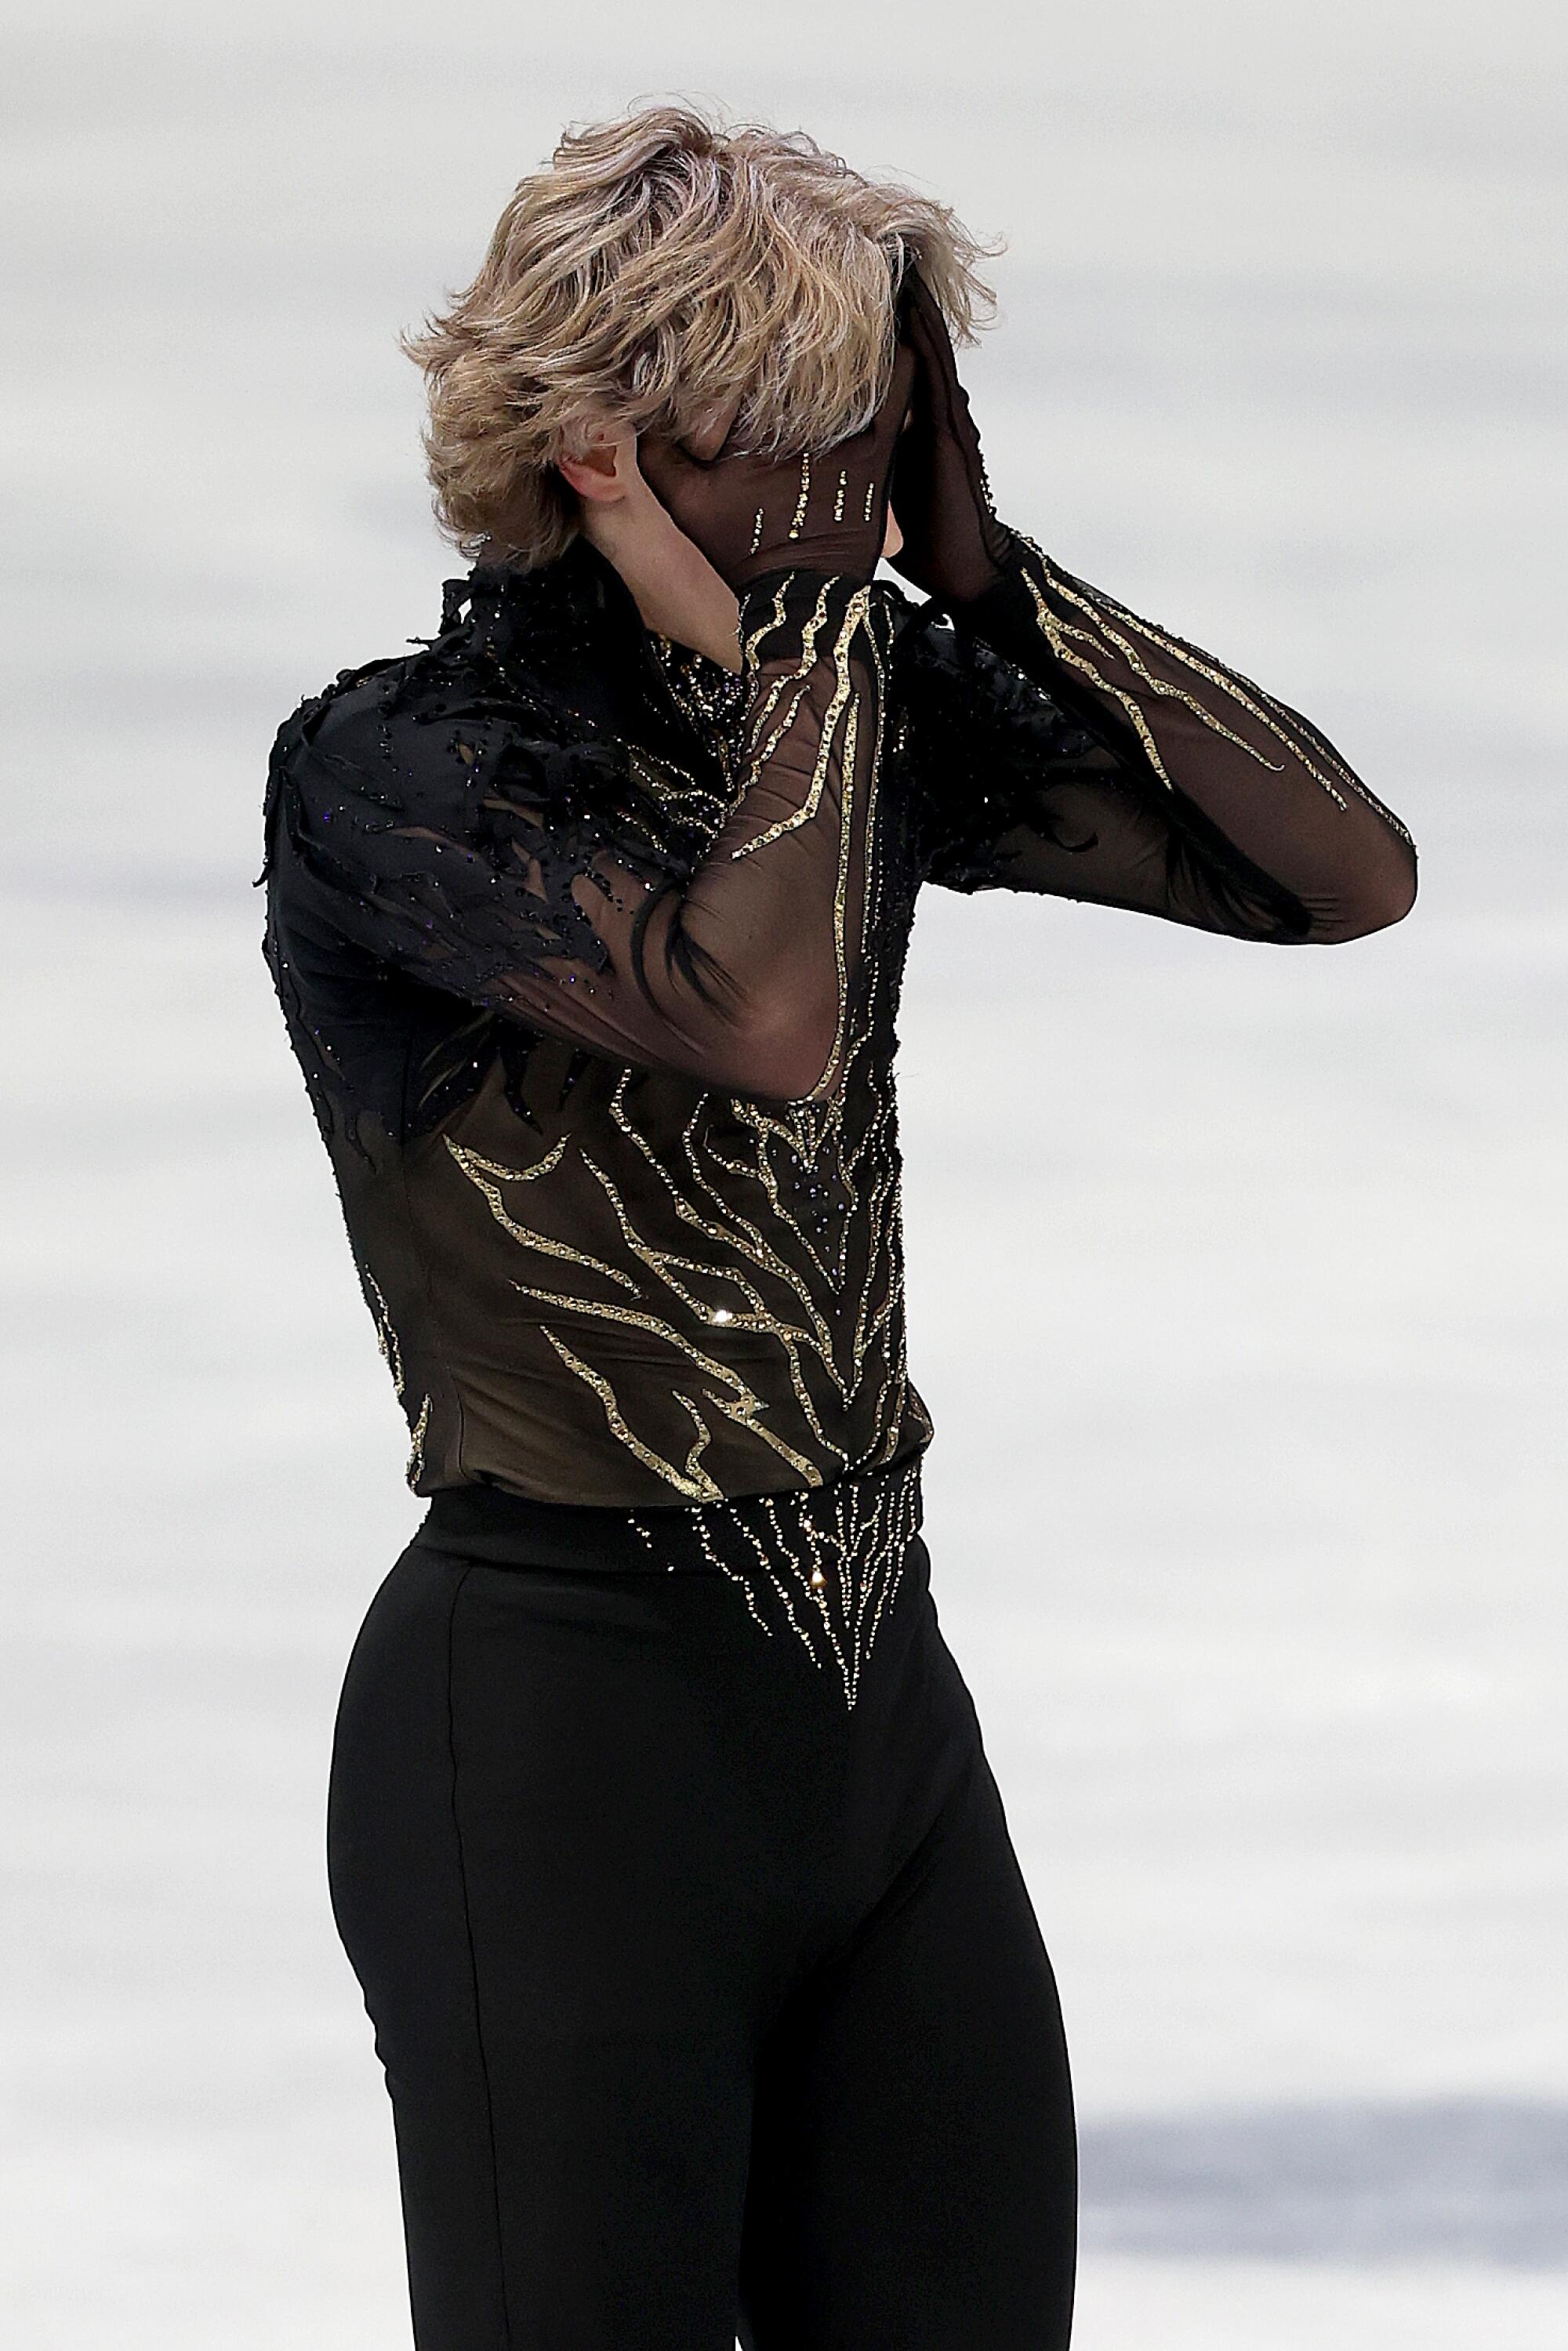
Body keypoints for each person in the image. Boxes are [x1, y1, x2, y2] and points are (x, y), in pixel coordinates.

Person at [261, 103, 1416, 2351]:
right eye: (773, 438)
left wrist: (1002, 582)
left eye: (864, 432)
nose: (830, 499)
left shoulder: (866, 703)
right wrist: (799, 654)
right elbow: (761, 1010)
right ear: (590, 444)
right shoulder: (398, 771)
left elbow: (1338, 877)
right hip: (559, 1746)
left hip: (879, 1730)